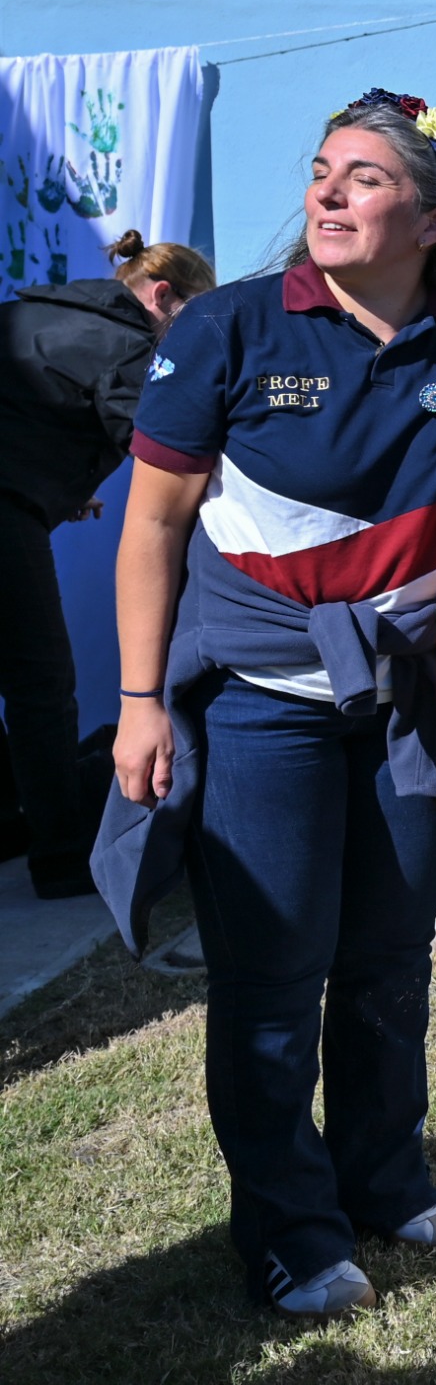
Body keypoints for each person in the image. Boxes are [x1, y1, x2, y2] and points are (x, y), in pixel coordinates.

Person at [97, 90, 436, 1317]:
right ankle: (290, 1228)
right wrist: (140, 701)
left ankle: (383, 1175)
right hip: (257, 702)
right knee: (274, 972)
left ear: (434, 219)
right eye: (324, 169)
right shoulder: (227, 325)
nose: (328, 193)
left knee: (390, 953)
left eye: (366, 177)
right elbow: (153, 527)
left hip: (400, 702)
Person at [0, 230, 215, 897]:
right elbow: (168, 453)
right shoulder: (128, 345)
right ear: (163, 296)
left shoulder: (35, 312)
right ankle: (63, 856)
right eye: (194, 320)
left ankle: (12, 823)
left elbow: (26, 415)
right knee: (41, 684)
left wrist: (58, 485)